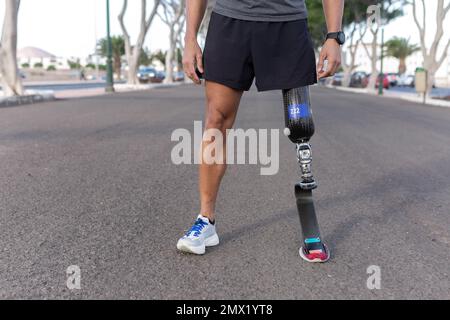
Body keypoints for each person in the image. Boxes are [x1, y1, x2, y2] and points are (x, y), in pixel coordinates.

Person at [177, 0, 345, 259]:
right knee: (216, 121)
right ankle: (206, 220)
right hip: (230, 21)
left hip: (287, 24)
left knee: (299, 124)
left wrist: (334, 36)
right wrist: (190, 38)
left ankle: (310, 227)